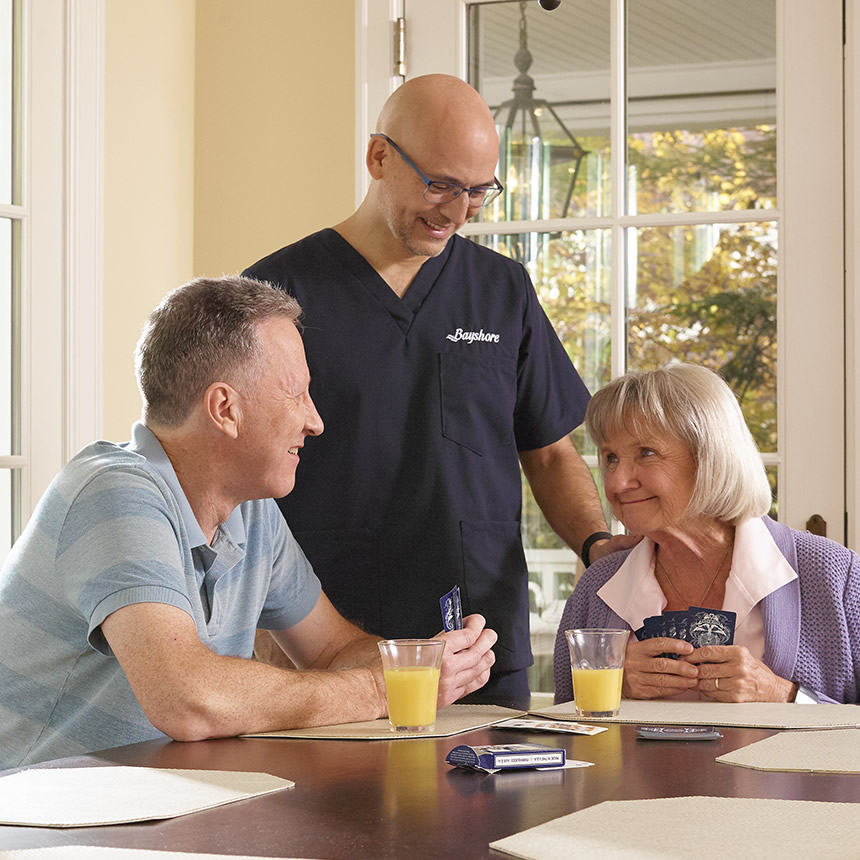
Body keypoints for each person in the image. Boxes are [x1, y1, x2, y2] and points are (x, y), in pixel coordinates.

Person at [243, 74, 630, 709]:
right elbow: (235, 479)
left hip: (478, 641)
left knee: (492, 809)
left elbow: (552, 453)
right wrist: (255, 628)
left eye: (479, 190)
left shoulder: (503, 292)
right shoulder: (275, 295)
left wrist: (594, 545)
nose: (457, 210)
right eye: (441, 184)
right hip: (321, 647)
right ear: (378, 157)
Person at [0, 275, 497, 769]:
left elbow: (331, 651)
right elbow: (187, 698)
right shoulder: (112, 493)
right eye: (297, 394)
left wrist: (426, 665)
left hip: (158, 815)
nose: (315, 420)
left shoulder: (251, 510)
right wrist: (378, 689)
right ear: (225, 409)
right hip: (39, 828)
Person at [553, 363, 860, 705]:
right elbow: (566, 742)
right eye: (611, 458)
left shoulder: (836, 575)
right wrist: (615, 687)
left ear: (710, 456)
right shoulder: (596, 590)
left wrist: (783, 695)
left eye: (646, 453)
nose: (618, 482)